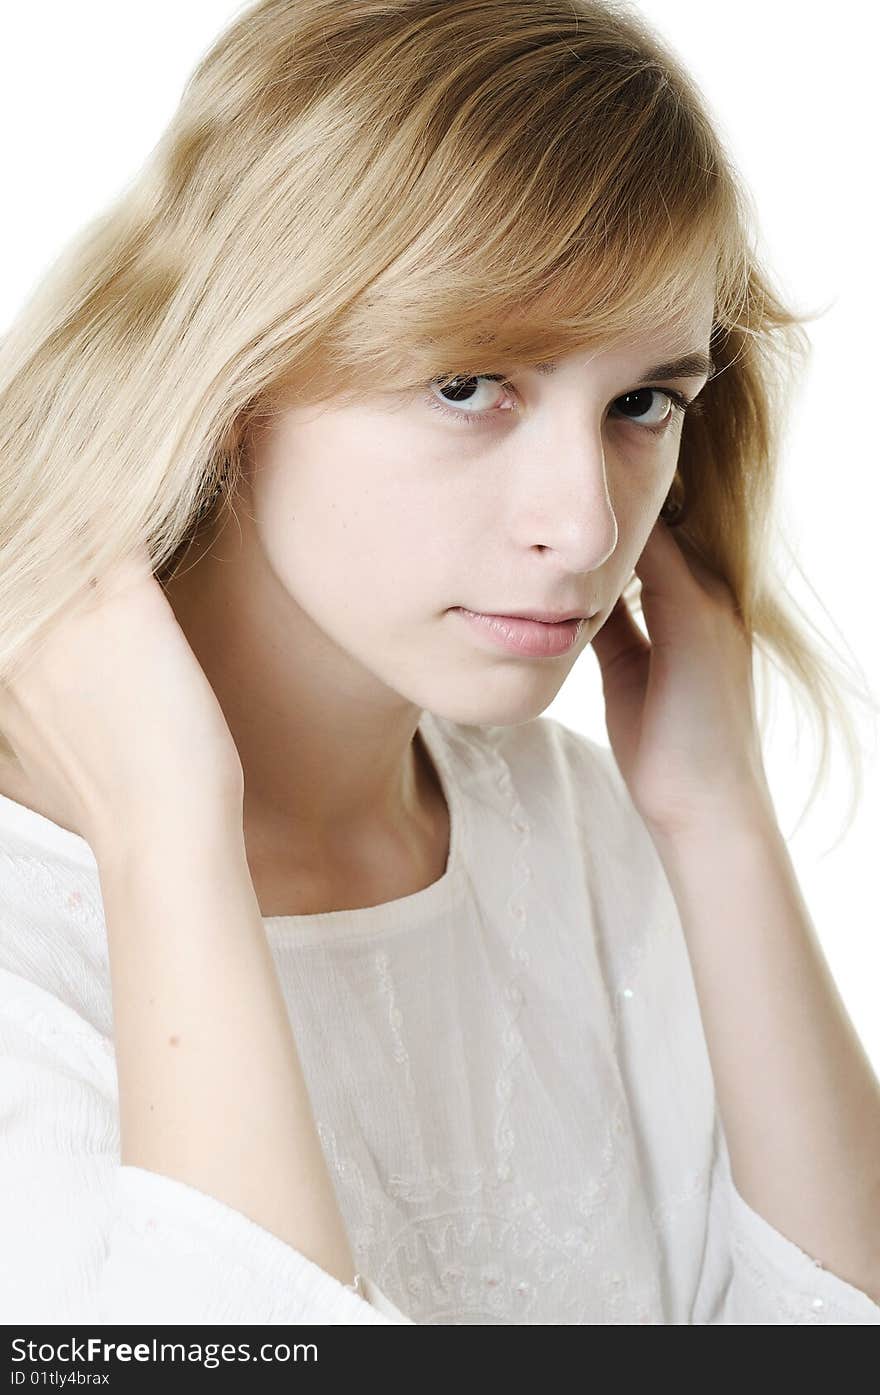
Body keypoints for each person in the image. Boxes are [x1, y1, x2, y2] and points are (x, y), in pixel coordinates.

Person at [0, 0, 878, 1325]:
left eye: (643, 403)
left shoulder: (576, 825)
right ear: (228, 375)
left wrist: (719, 821)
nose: (584, 526)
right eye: (469, 384)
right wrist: (169, 844)